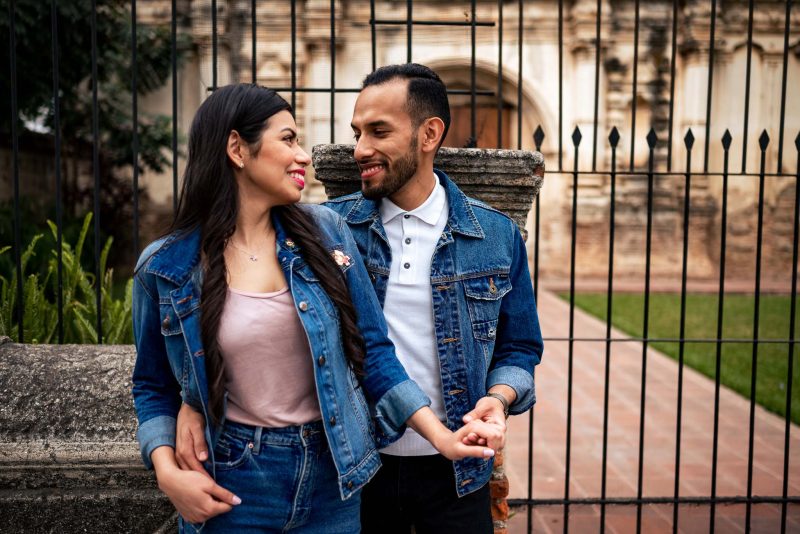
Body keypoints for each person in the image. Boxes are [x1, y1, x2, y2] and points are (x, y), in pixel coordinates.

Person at [176, 64, 543, 532]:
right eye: (357, 132)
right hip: (355, 463)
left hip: (458, 468)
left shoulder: (496, 235)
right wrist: (193, 397)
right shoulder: (324, 231)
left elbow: (520, 347)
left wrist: (500, 395)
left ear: (429, 134)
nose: (361, 148)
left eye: (378, 131)